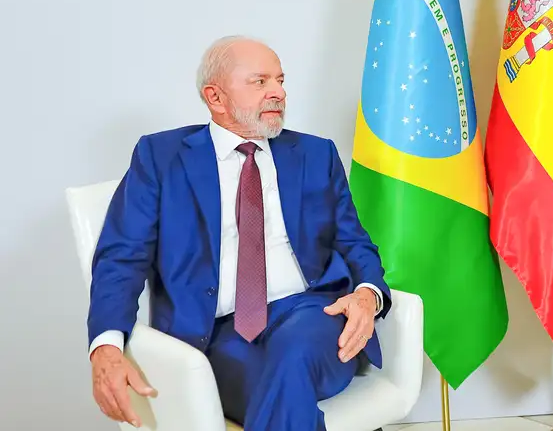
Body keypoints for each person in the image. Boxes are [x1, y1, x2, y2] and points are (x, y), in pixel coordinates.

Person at [87, 36, 392, 430]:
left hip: (314, 314)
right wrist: (106, 347)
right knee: (281, 391)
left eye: (280, 80)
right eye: (260, 81)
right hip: (215, 336)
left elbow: (354, 243)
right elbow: (121, 257)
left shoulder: (316, 155)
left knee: (293, 358)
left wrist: (368, 296)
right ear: (215, 97)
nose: (278, 92)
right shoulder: (160, 158)